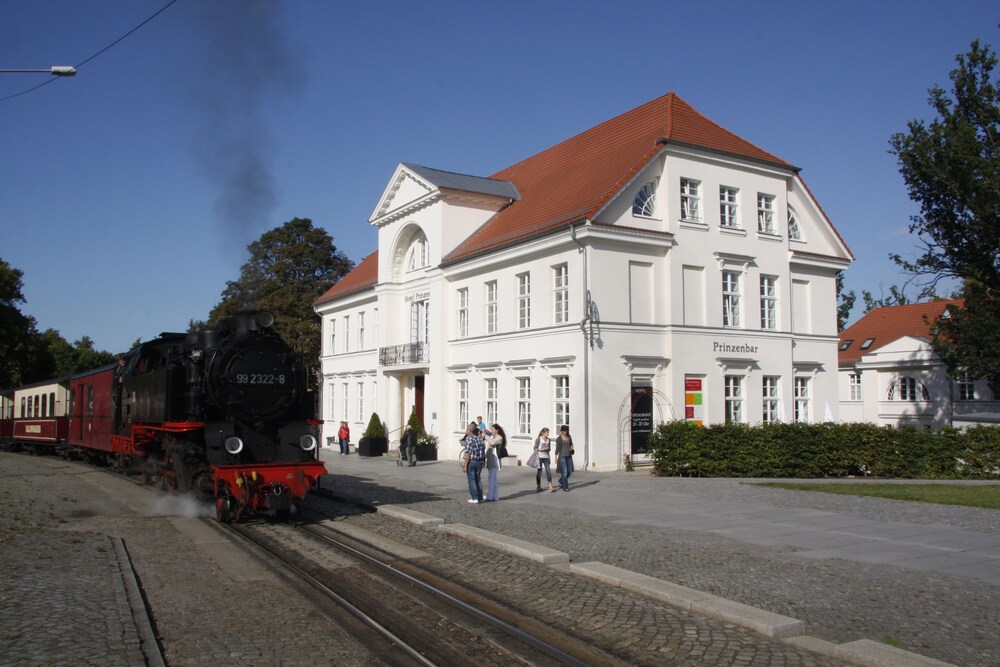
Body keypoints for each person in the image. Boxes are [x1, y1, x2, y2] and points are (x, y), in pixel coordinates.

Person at [464, 426, 486, 504]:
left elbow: (468, 453)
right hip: (479, 461)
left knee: (472, 480)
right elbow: (483, 450)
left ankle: (475, 498)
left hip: (472, 461)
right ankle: (480, 497)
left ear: (469, 431)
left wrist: (465, 465)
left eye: (466, 429)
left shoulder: (469, 439)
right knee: (478, 480)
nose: (465, 431)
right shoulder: (479, 438)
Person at [533, 427, 555, 492]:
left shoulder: (549, 440)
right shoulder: (538, 439)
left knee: (548, 471)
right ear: (543, 433)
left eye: (548, 432)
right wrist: (540, 450)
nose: (548, 434)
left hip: (546, 457)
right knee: (539, 472)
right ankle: (538, 486)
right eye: (547, 432)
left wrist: (548, 449)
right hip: (539, 457)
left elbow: (550, 448)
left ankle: (550, 485)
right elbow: (535, 448)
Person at [484, 427, 503, 501]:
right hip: (490, 459)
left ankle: (490, 495)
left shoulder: (499, 438)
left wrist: (485, 436)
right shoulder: (491, 437)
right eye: (491, 429)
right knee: (493, 479)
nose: (491, 431)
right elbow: (487, 445)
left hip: (494, 460)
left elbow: (493, 442)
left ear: (497, 430)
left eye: (493, 429)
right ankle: (495, 496)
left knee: (491, 478)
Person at [555, 424, 574, 491]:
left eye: (566, 431)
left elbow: (571, 443)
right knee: (565, 472)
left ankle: (561, 481)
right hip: (562, 456)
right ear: (561, 431)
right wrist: (556, 457)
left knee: (570, 471)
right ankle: (565, 487)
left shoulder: (569, 436)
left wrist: (571, 447)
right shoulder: (559, 439)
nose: (566, 432)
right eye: (564, 431)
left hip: (569, 456)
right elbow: (557, 449)